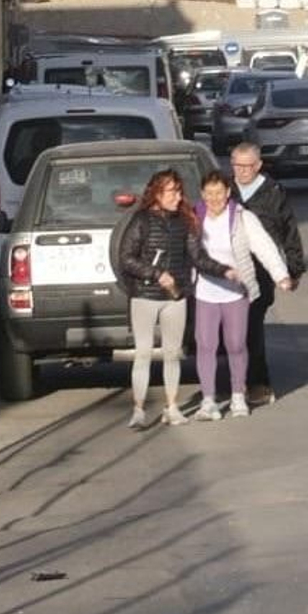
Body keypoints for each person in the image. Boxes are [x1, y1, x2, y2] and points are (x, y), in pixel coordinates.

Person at [116, 170, 237, 429]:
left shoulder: (185, 221)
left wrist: (224, 270)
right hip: (145, 295)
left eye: (179, 191)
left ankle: (172, 407)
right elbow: (126, 258)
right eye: (172, 191)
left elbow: (198, 257)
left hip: (176, 296)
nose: (178, 196)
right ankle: (138, 409)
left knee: (172, 353)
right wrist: (156, 273)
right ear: (157, 194)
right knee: (144, 353)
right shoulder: (141, 220)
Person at [190, 171, 294, 421]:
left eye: (219, 192)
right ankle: (208, 401)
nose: (214, 198)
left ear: (228, 193)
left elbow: (264, 246)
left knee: (236, 344)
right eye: (209, 193)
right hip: (205, 291)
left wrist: (281, 275)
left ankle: (238, 396)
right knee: (205, 346)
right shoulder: (194, 218)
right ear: (202, 194)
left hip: (236, 292)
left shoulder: (242, 217)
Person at [229, 142, 305, 405]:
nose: (241, 171)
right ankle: (231, 382)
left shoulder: (273, 192)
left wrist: (293, 269)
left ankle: (257, 383)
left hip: (261, 271)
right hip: (228, 271)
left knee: (251, 327)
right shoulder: (224, 190)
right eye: (237, 165)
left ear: (258, 165)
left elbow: (289, 231)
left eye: (247, 166)